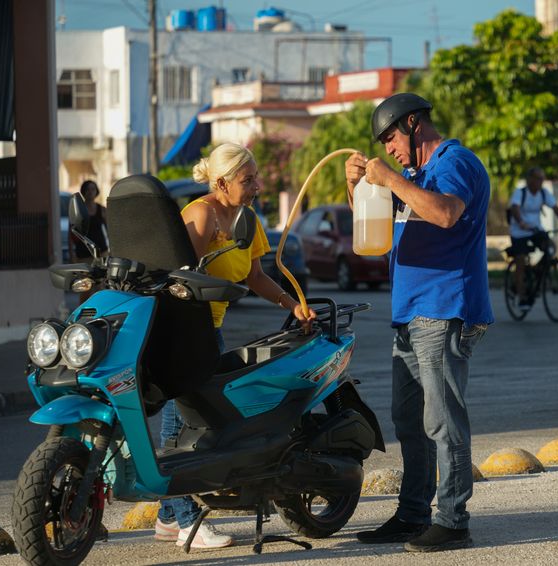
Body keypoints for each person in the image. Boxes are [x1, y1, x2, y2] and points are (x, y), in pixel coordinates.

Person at [344, 93, 493, 553]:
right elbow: (371, 229)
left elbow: (446, 213)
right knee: (409, 420)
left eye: (391, 138)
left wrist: (390, 178)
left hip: (444, 308)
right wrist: (355, 187)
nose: (388, 148)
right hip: (410, 313)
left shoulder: (455, 162)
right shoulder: (412, 177)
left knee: (443, 421)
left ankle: (453, 520)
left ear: (413, 124)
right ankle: (412, 514)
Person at [154, 142, 316, 549]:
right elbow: (176, 277)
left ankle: (168, 517)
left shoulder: (246, 217)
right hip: (185, 329)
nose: (257, 186)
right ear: (222, 182)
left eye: (257, 178)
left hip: (211, 329)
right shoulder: (202, 214)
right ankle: (188, 519)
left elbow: (255, 276)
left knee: (191, 418)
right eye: (249, 180)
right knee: (189, 422)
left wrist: (292, 304)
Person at [507, 167, 558, 310]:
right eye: (538, 178)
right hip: (519, 232)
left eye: (542, 179)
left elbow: (555, 208)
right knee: (520, 260)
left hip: (536, 230)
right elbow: (515, 208)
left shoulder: (543, 193)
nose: (540, 182)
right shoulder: (521, 193)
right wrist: (521, 222)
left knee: (551, 248)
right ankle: (521, 295)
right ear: (530, 179)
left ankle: (537, 270)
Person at [71, 180, 108, 302]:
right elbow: (71, 232)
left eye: (93, 189)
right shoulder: (78, 211)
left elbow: (110, 230)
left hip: (100, 254)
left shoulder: (101, 210)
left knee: (101, 287)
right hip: (83, 254)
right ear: (83, 192)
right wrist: (73, 256)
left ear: (96, 191)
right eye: (87, 189)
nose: (90, 192)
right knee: (85, 287)